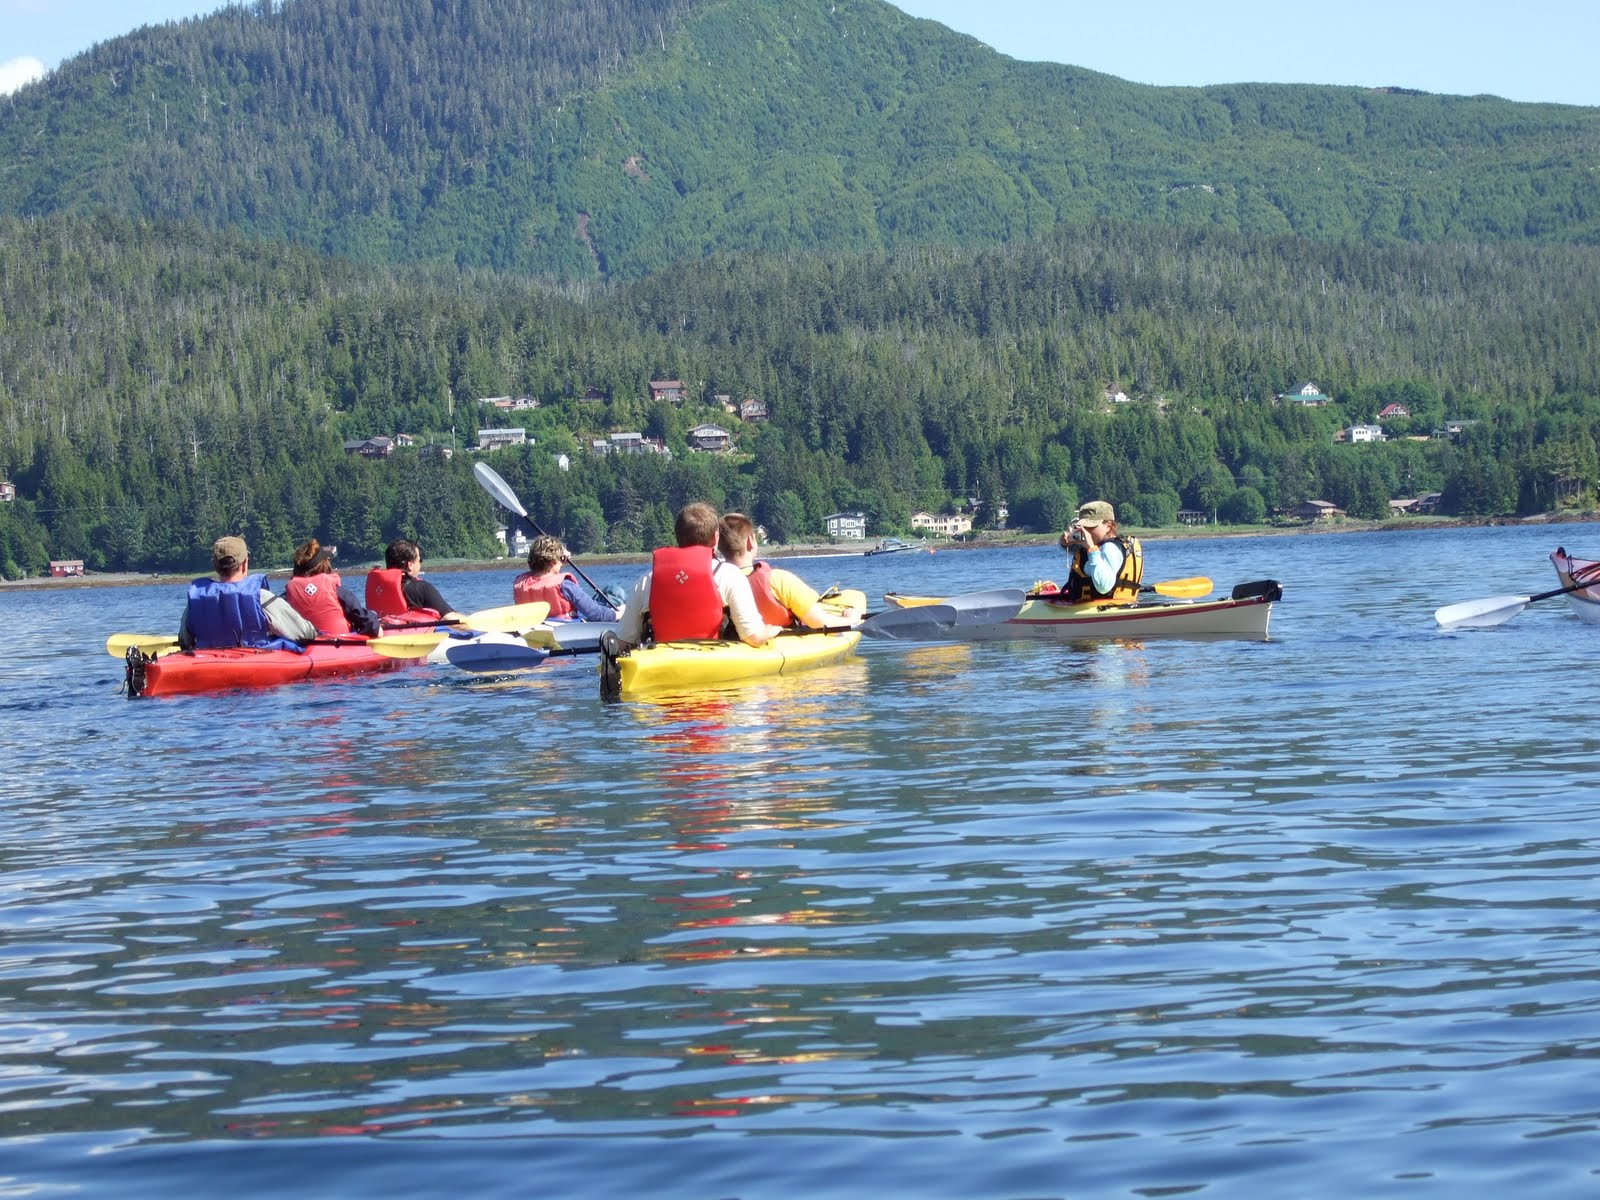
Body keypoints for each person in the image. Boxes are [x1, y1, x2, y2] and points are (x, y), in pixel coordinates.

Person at [614, 502, 786, 648]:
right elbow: (753, 637)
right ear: (715, 538)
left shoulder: (646, 581)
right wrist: (771, 630)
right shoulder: (730, 576)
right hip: (713, 666)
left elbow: (623, 642)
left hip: (664, 665)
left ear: (678, 538)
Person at [717, 512, 862, 628]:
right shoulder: (779, 580)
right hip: (781, 638)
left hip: (741, 641)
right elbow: (821, 623)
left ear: (718, 545)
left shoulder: (716, 582)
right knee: (856, 598)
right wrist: (851, 619)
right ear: (751, 541)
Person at [178, 535, 317, 651]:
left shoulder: (197, 601)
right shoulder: (261, 597)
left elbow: (184, 641)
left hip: (207, 663)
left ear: (215, 565)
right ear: (245, 563)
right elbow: (305, 632)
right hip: (254, 663)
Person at [511, 534, 622, 621]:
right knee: (614, 591)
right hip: (567, 626)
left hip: (541, 626)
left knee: (607, 593)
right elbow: (597, 615)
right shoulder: (565, 585)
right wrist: (620, 614)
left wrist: (559, 555)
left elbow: (546, 577)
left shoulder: (520, 584)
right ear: (553, 561)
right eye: (560, 559)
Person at [284, 539, 381, 636]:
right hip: (337, 647)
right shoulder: (339, 593)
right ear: (325, 564)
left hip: (304, 648)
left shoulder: (286, 597)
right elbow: (372, 626)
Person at [1058, 499, 1144, 602]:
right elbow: (1075, 552)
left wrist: (1091, 549)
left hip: (1106, 609)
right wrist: (1065, 541)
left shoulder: (1109, 548)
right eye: (1083, 527)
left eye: (1091, 526)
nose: (1086, 531)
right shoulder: (1094, 544)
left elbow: (1104, 586)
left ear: (1108, 526)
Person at [365, 539, 463, 626]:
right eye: (419, 560)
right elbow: (452, 620)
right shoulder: (422, 589)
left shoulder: (377, 590)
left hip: (385, 636)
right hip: (415, 641)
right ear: (410, 565)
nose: (420, 564)